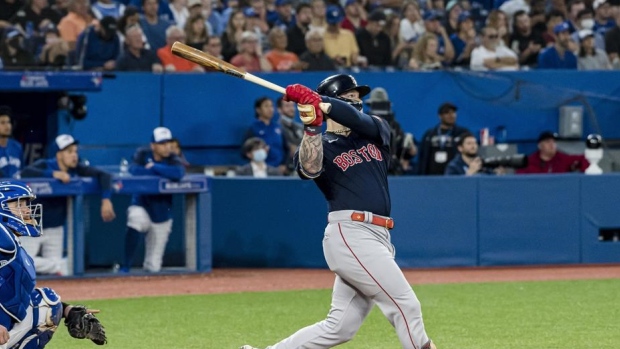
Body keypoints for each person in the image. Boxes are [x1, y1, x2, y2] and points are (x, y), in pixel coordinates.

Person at [240, 74, 437, 349]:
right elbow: (308, 169)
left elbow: (356, 119)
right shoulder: (321, 144)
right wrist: (311, 128)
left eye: (359, 100)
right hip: (350, 232)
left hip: (379, 235)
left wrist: (321, 100)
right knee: (406, 305)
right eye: (351, 99)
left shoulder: (376, 130)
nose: (358, 104)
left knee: (340, 327)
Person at [0, 180, 107, 349]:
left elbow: (17, 291)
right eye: (19, 204)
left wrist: (68, 311)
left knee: (49, 303)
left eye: (27, 204)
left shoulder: (10, 241)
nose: (27, 210)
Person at [19, 134, 116, 275]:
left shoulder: (76, 169)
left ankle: (58, 270)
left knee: (58, 277)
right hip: (31, 226)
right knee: (21, 264)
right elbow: (24, 173)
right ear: (58, 155)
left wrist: (106, 199)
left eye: (75, 151)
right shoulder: (46, 164)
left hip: (55, 228)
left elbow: (105, 175)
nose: (74, 155)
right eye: (69, 152)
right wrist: (52, 174)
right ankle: (59, 265)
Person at [120, 127, 185, 273]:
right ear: (153, 145)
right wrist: (159, 171)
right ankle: (125, 267)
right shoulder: (143, 154)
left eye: (168, 142)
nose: (166, 146)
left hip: (162, 212)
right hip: (142, 204)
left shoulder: (173, 158)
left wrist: (154, 167)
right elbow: (134, 170)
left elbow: (178, 173)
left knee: (153, 266)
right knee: (135, 219)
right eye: (162, 143)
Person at [366, 87, 417, 175]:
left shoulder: (394, 125)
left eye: (381, 105)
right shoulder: (364, 122)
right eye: (376, 105)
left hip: (390, 170)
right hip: (368, 168)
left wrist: (409, 148)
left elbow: (405, 152)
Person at [417, 102, 470, 175]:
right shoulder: (429, 135)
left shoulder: (462, 133)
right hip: (431, 177)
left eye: (453, 113)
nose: (451, 116)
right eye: (447, 113)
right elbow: (422, 156)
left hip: (454, 176)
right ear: (440, 116)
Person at [244, 96, 288, 173]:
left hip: (278, 170)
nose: (270, 109)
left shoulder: (278, 127)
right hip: (261, 170)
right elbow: (245, 150)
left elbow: (286, 148)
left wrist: (284, 165)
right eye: (266, 106)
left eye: (271, 106)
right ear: (258, 110)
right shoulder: (253, 128)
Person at [516, 131, 589, 174]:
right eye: (548, 142)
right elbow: (520, 178)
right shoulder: (530, 161)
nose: (552, 144)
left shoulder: (563, 159)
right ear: (540, 146)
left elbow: (585, 158)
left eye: (554, 142)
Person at [0, 106, 22, 179]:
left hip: (16, 187)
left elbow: (22, 170)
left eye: (8, 122)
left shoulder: (17, 147)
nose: (7, 126)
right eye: (3, 123)